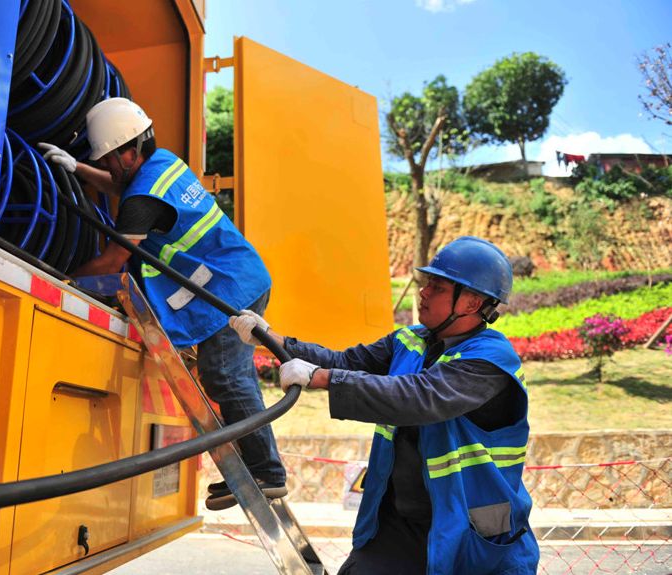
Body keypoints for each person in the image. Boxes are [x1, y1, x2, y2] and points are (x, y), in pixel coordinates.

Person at [229, 236, 540, 575]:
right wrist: (270, 338)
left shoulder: (490, 360)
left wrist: (322, 378)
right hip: (398, 527)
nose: (423, 292)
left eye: (437, 286)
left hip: (468, 533)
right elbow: (345, 361)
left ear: (471, 303)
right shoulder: (410, 341)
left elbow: (419, 397)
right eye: (426, 283)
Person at [38, 97, 286, 511]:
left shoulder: (141, 200)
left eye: (109, 158)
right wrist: (76, 167)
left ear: (130, 151)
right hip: (239, 278)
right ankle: (256, 467)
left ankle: (268, 473)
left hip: (230, 288)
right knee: (225, 374)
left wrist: (59, 278)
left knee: (225, 375)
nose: (109, 166)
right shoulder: (162, 164)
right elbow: (122, 186)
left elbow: (113, 261)